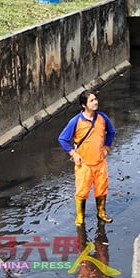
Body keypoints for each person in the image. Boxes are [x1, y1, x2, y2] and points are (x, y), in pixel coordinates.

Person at [58, 90, 115, 225]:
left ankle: (101, 213)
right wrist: (74, 154)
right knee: (82, 191)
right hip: (84, 164)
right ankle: (80, 216)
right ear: (84, 105)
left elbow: (111, 132)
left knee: (101, 188)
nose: (95, 102)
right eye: (91, 100)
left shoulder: (102, 118)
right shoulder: (76, 121)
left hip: (100, 162)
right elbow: (62, 139)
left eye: (95, 99)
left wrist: (106, 147)